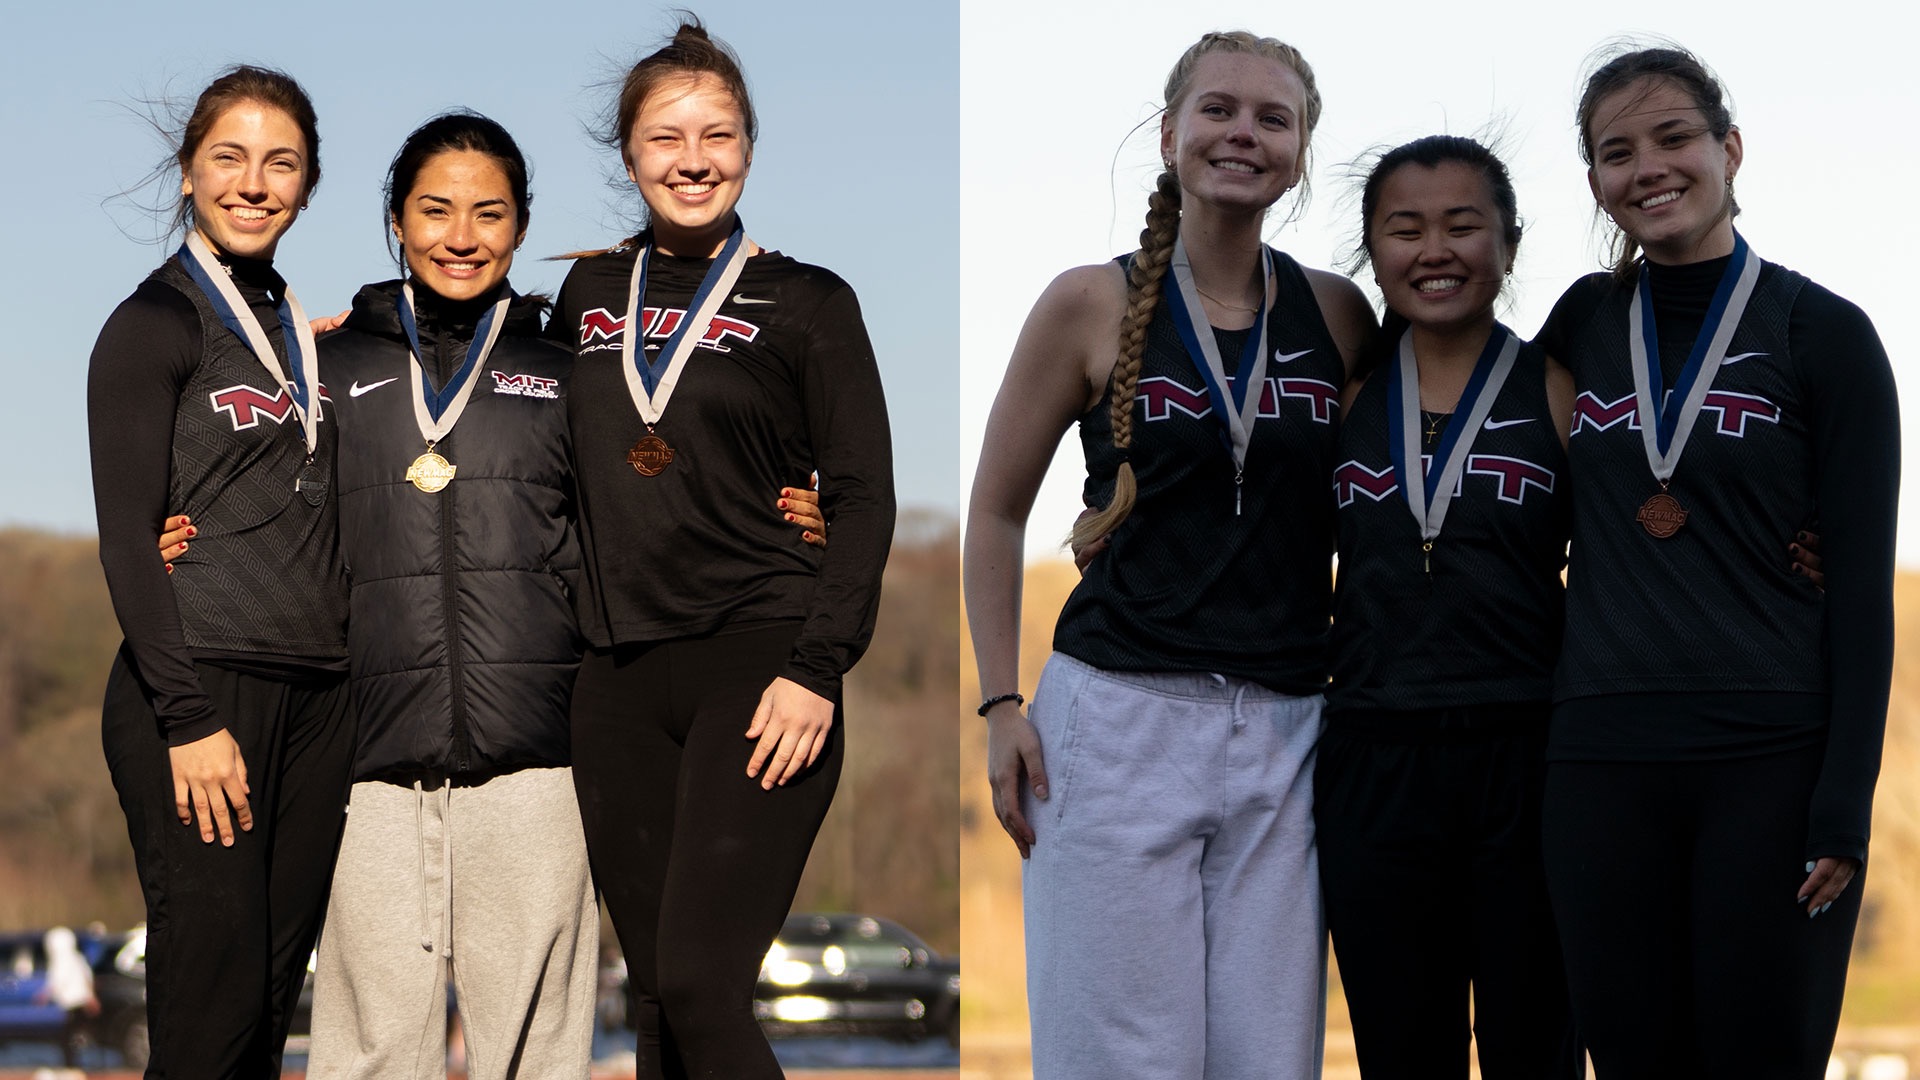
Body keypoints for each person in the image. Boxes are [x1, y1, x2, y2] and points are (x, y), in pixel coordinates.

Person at [965, 31, 1373, 1079]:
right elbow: (998, 512)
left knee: (1268, 1062)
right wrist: (1000, 704)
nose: (1244, 134)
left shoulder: (1338, 313)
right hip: (1118, 723)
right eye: (1218, 110)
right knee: (1122, 1061)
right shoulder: (1086, 303)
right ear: (1169, 134)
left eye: (1273, 118)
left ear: (1300, 150)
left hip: (1289, 728)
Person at [1536, 43, 1898, 1078]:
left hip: (1770, 761)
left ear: (1730, 149)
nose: (1648, 168)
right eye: (1617, 153)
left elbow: (1861, 596)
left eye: (1673, 138)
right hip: (1601, 761)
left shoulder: (1823, 333)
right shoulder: (1581, 323)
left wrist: (1845, 803)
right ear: (1595, 182)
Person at [545, 19, 895, 1080]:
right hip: (614, 677)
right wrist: (355, 337)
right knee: (656, 999)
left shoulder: (811, 301)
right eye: (666, 137)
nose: (692, 160)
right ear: (628, 155)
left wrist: (817, 666)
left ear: (748, 147)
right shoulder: (585, 296)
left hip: (760, 666)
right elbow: (505, 417)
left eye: (718, 135)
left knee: (702, 983)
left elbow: (863, 497)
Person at [87, 65, 356, 1076]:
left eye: (280, 163)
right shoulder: (153, 323)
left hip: (319, 696)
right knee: (213, 1000)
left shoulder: (299, 330)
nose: (253, 182)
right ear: (189, 172)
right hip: (202, 690)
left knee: (269, 1003)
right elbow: (127, 541)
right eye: (229, 157)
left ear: (308, 184)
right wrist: (188, 718)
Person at [1317, 135, 1580, 1079]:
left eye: (1463, 226)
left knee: (1534, 1050)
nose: (1435, 251)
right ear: (1373, 251)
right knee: (1402, 1054)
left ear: (1508, 243)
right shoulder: (1345, 398)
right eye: (1406, 229)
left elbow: (1640, 544)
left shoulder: (1557, 388)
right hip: (1373, 758)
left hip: (1528, 758)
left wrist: (1800, 545)